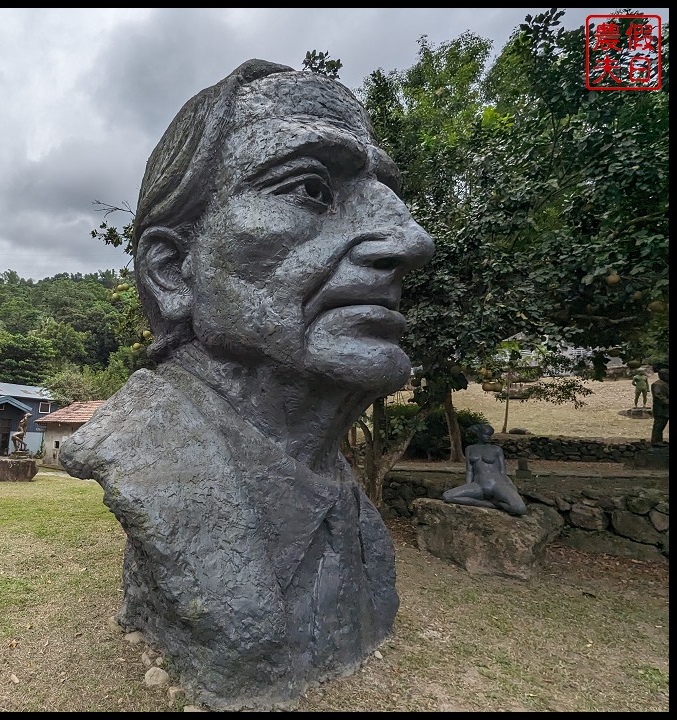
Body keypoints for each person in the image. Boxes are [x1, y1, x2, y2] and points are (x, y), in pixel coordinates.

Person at [60, 60, 433, 710]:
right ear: (174, 271)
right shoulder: (149, 457)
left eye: (388, 196)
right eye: (312, 189)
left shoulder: (334, 483)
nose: (411, 240)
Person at [442, 424, 527, 516]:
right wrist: (468, 485)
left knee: (520, 508)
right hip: (479, 485)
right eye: (486, 435)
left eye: (490, 435)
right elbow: (469, 471)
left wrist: (509, 486)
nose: (488, 438)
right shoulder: (470, 449)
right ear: (479, 434)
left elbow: (502, 471)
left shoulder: (496, 449)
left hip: (497, 484)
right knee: (448, 496)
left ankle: (498, 503)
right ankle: (492, 504)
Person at [650, 364, 669, 445]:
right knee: (659, 425)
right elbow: (658, 396)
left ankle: (659, 440)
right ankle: (656, 441)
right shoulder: (657, 384)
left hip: (666, 408)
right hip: (660, 409)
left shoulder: (666, 383)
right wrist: (667, 402)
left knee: (663, 425)